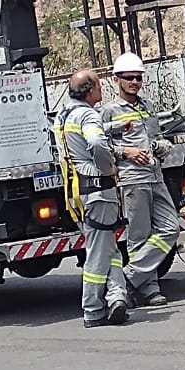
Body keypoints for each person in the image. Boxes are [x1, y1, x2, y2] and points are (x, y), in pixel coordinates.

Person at [55, 70, 129, 328]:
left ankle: (118, 296)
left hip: (77, 193)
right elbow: (96, 141)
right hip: (98, 190)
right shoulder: (88, 114)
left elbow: (87, 132)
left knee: (108, 248)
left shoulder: (65, 114)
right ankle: (93, 308)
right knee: (99, 252)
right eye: (99, 85)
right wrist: (109, 166)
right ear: (90, 91)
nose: (102, 89)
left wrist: (114, 126)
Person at [103, 51, 177, 308]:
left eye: (138, 77)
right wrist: (126, 151)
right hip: (132, 179)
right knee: (139, 236)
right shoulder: (110, 111)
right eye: (129, 78)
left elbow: (156, 136)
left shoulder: (147, 107)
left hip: (155, 174)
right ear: (117, 80)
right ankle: (150, 289)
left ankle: (127, 278)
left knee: (170, 228)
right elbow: (98, 149)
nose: (135, 82)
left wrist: (161, 145)